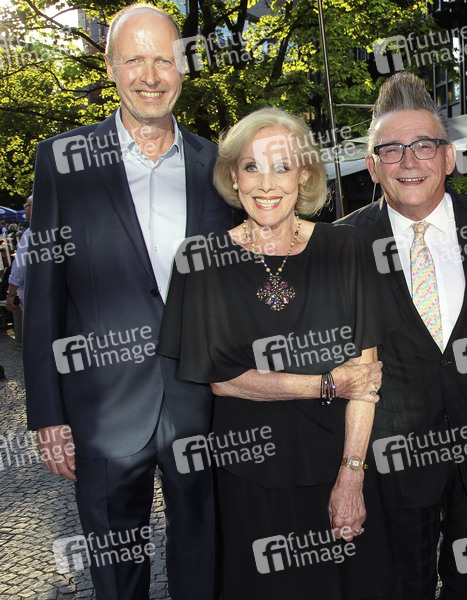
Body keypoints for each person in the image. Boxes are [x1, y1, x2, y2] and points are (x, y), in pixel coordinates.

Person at [23, 5, 236, 598]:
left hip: (203, 404)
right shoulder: (62, 161)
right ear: (111, 68)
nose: (150, 75)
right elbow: (43, 295)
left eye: (164, 59)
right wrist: (47, 414)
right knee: (116, 575)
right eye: (134, 59)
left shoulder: (217, 166)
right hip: (102, 411)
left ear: (182, 68)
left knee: (205, 560)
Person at [157, 107, 395, 599]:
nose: (266, 183)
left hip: (339, 463)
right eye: (252, 167)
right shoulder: (201, 260)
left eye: (282, 166)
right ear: (233, 176)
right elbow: (223, 379)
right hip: (251, 473)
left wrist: (352, 475)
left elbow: (366, 379)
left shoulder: (347, 248)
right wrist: (328, 384)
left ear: (304, 174)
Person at [339, 71, 467, 600]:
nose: (409, 161)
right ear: (373, 166)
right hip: (393, 463)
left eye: (423, 145)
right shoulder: (342, 245)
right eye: (391, 149)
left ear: (449, 157)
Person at [7, 194, 31, 347]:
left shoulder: (31, 234)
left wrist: (11, 293)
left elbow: (20, 266)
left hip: (33, 295)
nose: (25, 208)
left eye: (26, 205)